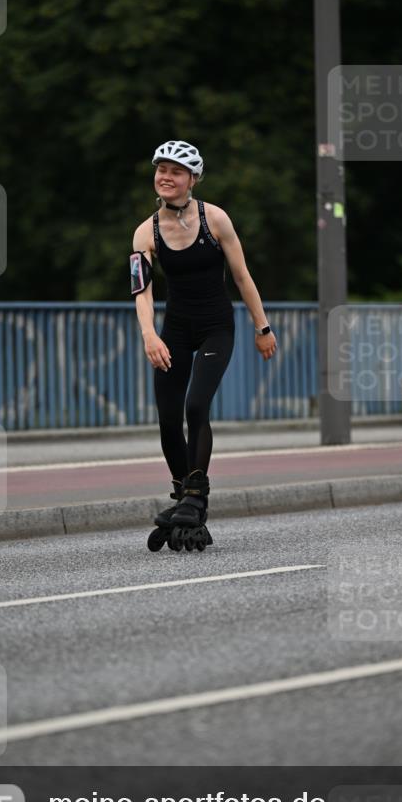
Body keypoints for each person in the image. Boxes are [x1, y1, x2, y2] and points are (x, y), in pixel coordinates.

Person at [131, 140, 277, 551]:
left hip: (216, 327)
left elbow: (242, 277)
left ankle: (197, 496)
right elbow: (142, 291)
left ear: (192, 178)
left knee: (196, 406)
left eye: (176, 172)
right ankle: (184, 495)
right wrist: (149, 334)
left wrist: (262, 327)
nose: (166, 177)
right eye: (161, 169)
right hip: (175, 330)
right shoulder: (145, 232)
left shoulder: (216, 219)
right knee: (167, 417)